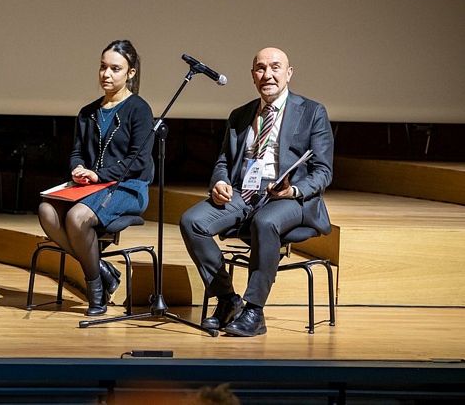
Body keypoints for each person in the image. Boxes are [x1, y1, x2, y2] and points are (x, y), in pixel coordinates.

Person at [180, 47, 333, 337]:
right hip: (244, 193)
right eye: (260, 69)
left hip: (289, 196)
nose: (268, 74)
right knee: (193, 221)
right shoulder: (240, 115)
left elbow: (323, 171)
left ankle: (254, 310)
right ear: (253, 76)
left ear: (288, 73)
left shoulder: (312, 112)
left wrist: (295, 190)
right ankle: (227, 299)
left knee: (265, 222)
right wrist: (220, 182)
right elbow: (223, 161)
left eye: (275, 67)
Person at [38, 40, 154, 316]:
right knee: (47, 211)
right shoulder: (87, 112)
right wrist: (78, 169)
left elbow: (138, 161)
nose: (106, 74)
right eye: (103, 67)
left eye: (115, 68)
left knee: (76, 218)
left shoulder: (139, 109)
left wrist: (98, 174)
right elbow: (77, 153)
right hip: (90, 188)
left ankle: (95, 289)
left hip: (128, 187)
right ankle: (104, 270)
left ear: (131, 73)